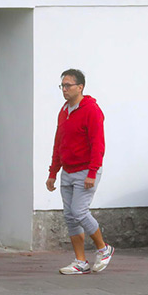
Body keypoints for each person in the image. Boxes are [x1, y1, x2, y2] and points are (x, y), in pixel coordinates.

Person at [46, 69, 113, 275]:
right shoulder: (64, 110)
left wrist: (92, 172)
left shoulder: (91, 110)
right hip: (68, 170)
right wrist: (52, 172)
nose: (64, 90)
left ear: (80, 87)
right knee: (70, 216)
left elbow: (98, 145)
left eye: (68, 85)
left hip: (86, 170)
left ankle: (104, 248)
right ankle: (80, 261)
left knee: (79, 212)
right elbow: (59, 143)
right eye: (62, 86)